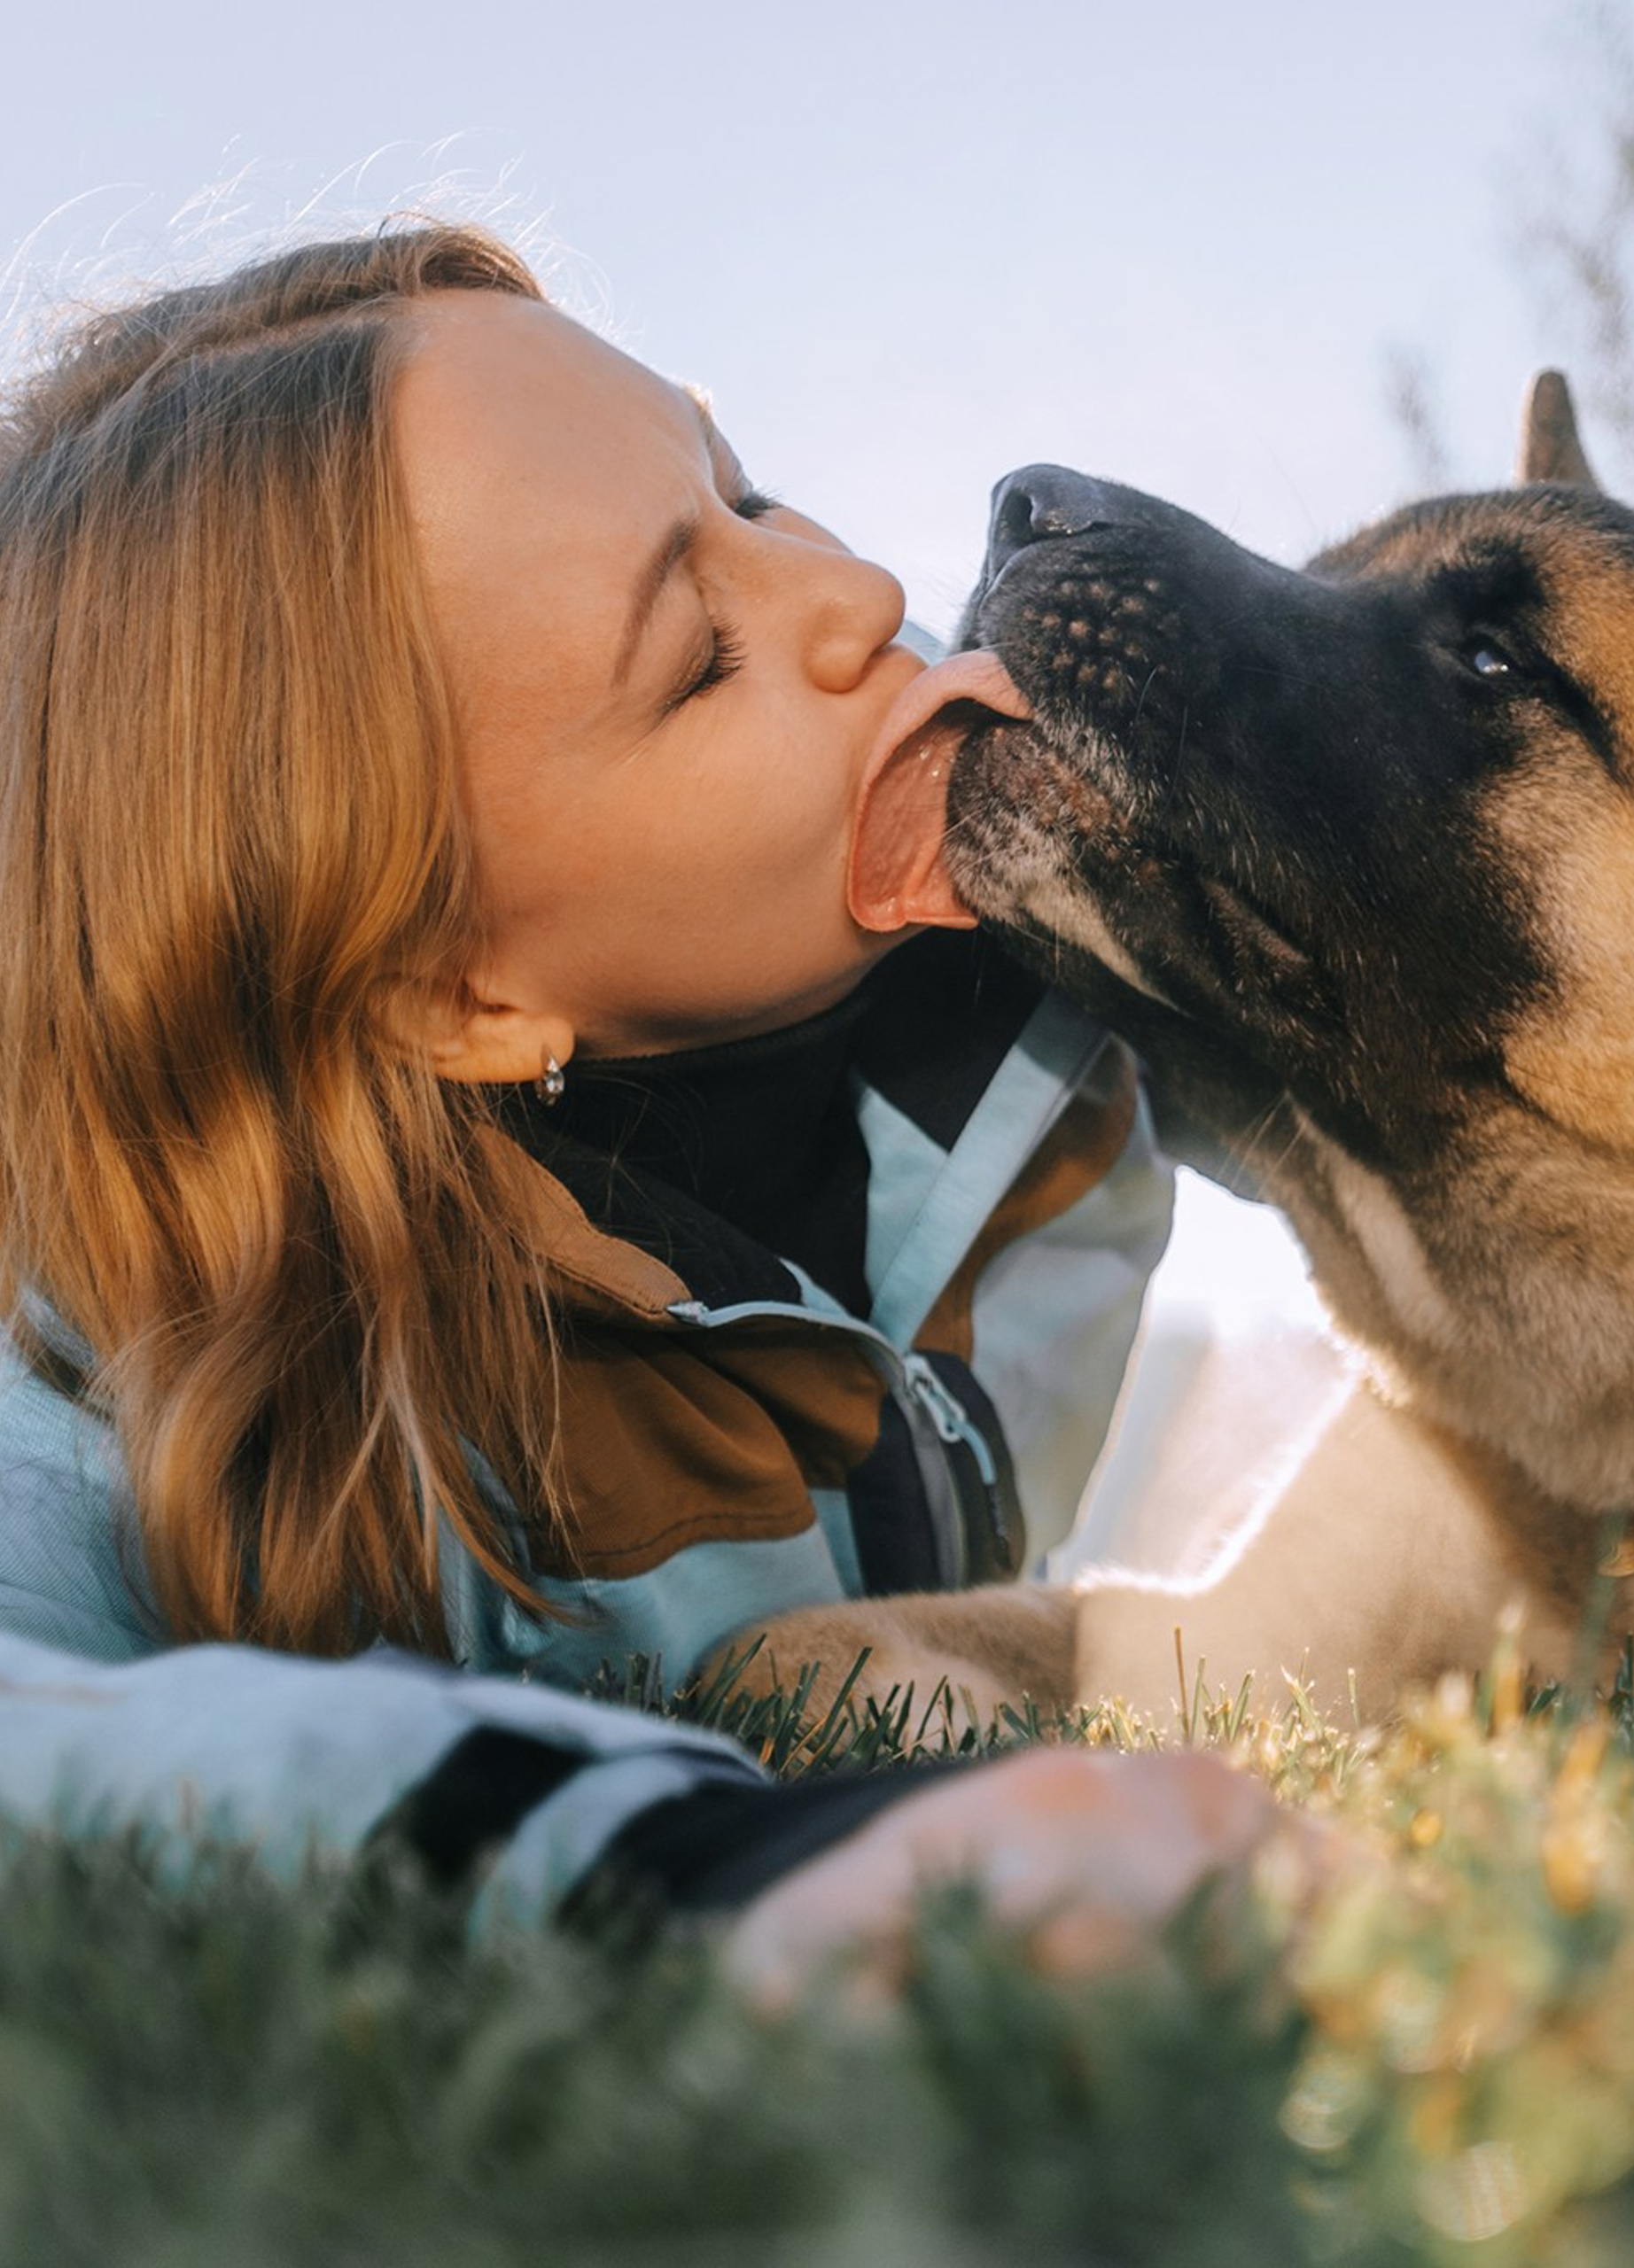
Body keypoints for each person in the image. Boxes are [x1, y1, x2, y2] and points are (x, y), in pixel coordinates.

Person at [0, 220, 1291, 1970]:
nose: (847, 596)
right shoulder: (125, 1371)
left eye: (749, 496)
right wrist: (675, 1853)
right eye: (699, 654)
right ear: (456, 989)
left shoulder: (1046, 1003)